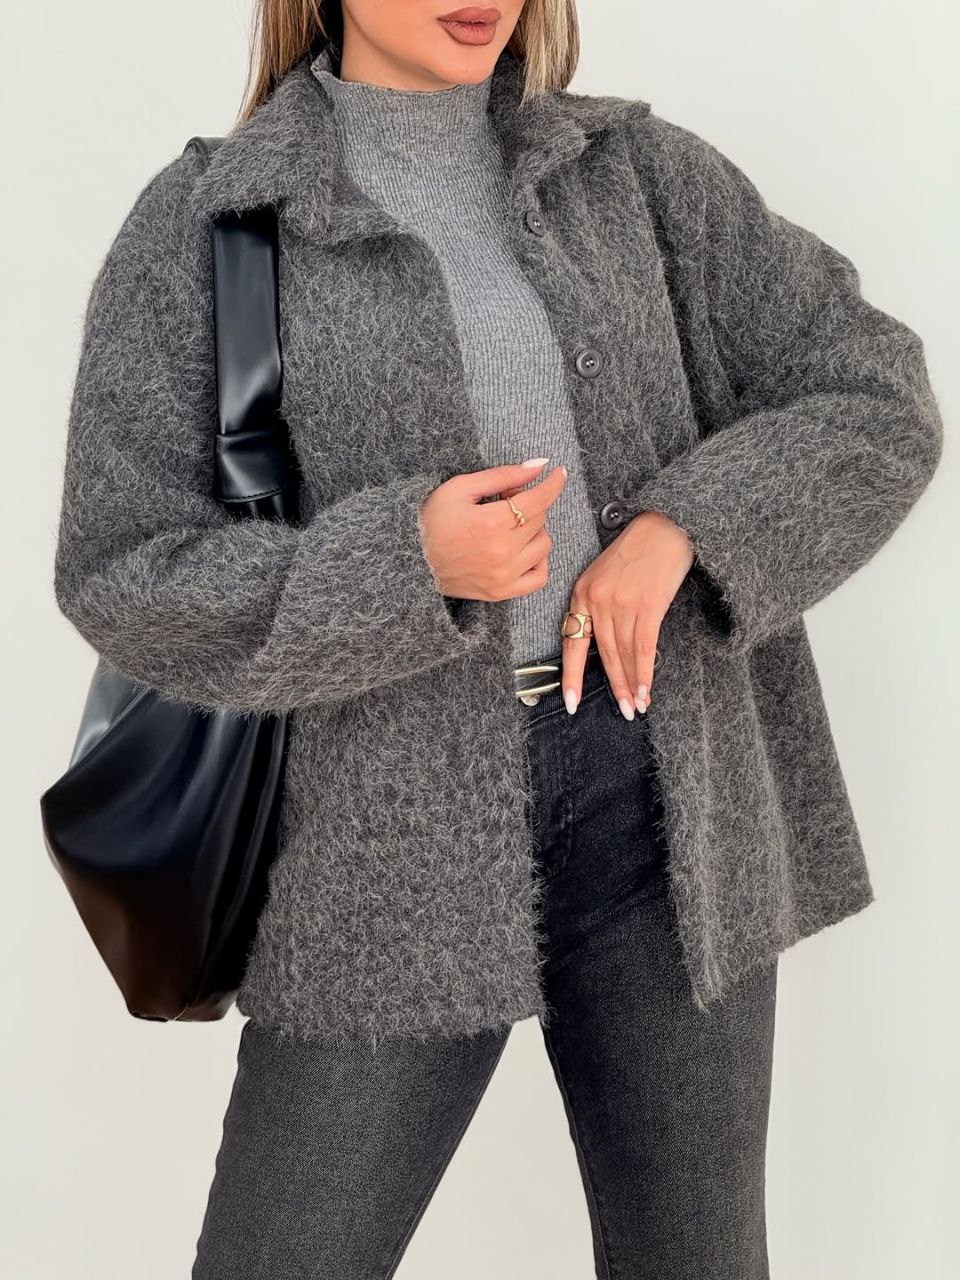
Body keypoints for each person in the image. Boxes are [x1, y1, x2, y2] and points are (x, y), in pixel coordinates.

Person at [52, 1, 943, 1276]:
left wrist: (684, 528)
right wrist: (405, 563)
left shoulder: (638, 176)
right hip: (374, 845)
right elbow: (122, 565)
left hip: (662, 802)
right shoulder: (216, 225)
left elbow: (875, 390)